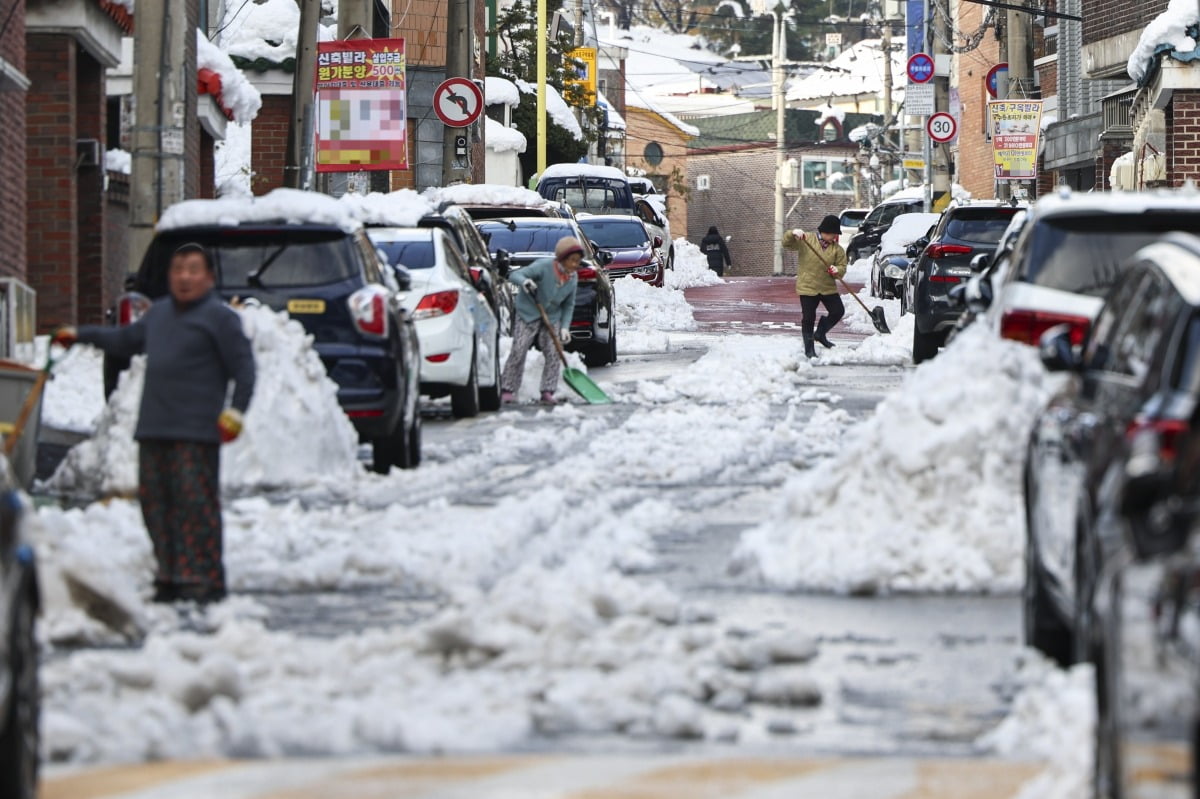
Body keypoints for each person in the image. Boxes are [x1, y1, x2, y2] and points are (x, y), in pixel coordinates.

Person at [52, 243, 255, 604]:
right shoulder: (158, 315)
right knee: (156, 506)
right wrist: (80, 335)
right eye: (178, 269)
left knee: (196, 506)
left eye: (193, 270)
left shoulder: (221, 319)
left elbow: (245, 369)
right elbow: (123, 340)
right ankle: (170, 573)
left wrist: (236, 411)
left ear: (209, 277)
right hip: (154, 428)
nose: (185, 277)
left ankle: (204, 577)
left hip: (196, 432)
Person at [500, 236, 582, 405]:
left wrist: (565, 327)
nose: (575, 265)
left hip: (551, 316)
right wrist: (526, 282)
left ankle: (547, 391)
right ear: (562, 258)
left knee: (554, 352)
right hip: (529, 312)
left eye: (578, 261)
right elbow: (515, 275)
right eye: (572, 260)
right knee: (519, 349)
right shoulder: (544, 267)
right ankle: (507, 388)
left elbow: (568, 305)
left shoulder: (572, 278)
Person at [783, 214, 848, 359]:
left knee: (838, 311)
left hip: (827, 287)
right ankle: (809, 348)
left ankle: (820, 333)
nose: (835, 238)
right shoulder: (806, 240)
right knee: (808, 317)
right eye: (834, 234)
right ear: (826, 231)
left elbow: (842, 267)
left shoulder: (837, 250)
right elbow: (786, 244)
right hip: (808, 287)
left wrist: (837, 270)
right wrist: (792, 233)